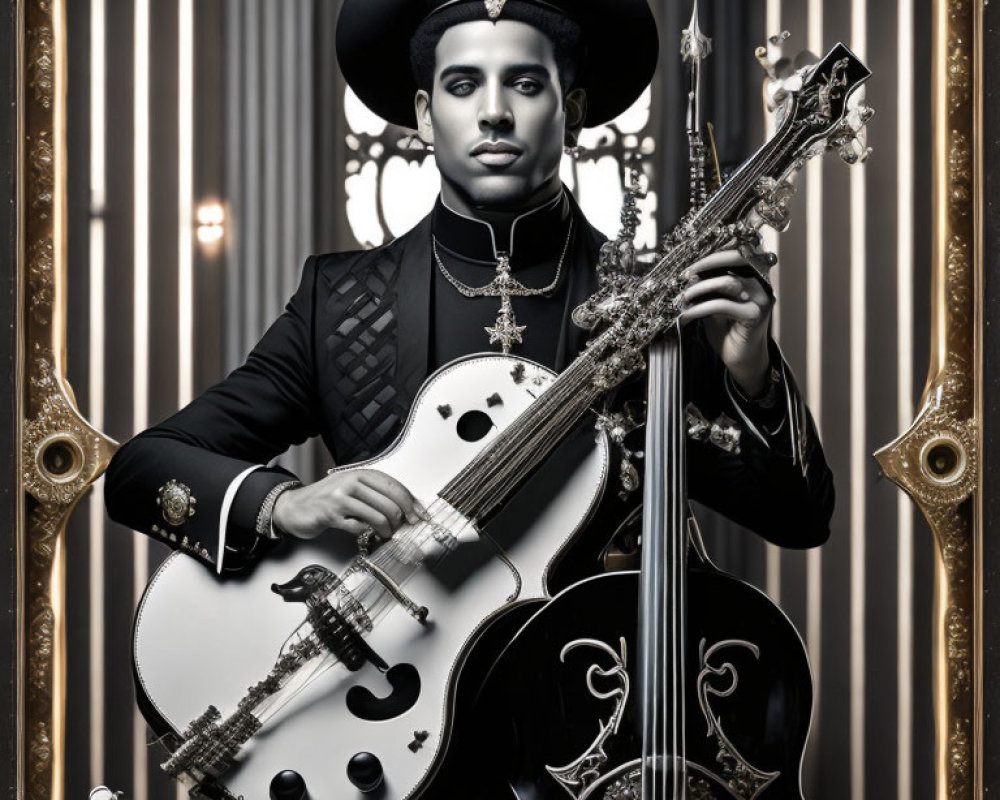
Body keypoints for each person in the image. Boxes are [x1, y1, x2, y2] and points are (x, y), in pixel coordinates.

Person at [106, 0, 832, 584]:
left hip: (591, 717)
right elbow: (142, 469)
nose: (493, 113)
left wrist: (751, 372)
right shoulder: (340, 300)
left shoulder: (656, 306)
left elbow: (801, 520)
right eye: (462, 86)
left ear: (572, 110)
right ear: (425, 115)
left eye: (524, 83)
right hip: (395, 721)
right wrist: (285, 501)